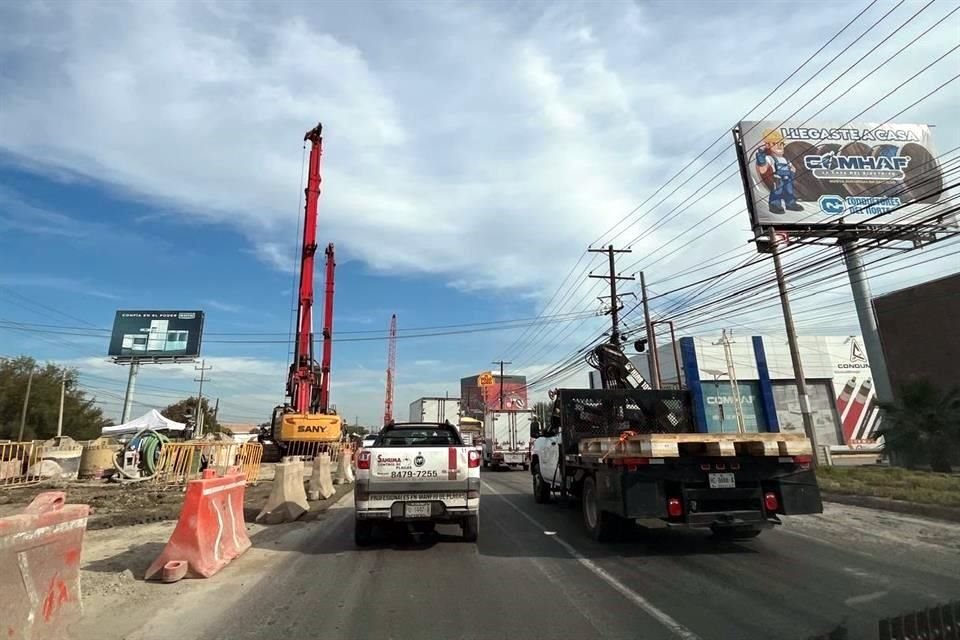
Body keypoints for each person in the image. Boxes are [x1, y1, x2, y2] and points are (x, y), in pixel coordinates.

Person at [756, 130, 804, 214]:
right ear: (767, 145)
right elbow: (762, 170)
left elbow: (793, 169)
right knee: (777, 192)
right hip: (778, 179)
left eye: (781, 144)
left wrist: (792, 176)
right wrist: (761, 161)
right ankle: (775, 205)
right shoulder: (769, 158)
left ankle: (790, 204)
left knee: (789, 191)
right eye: (774, 144)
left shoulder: (785, 159)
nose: (779, 146)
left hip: (788, 179)